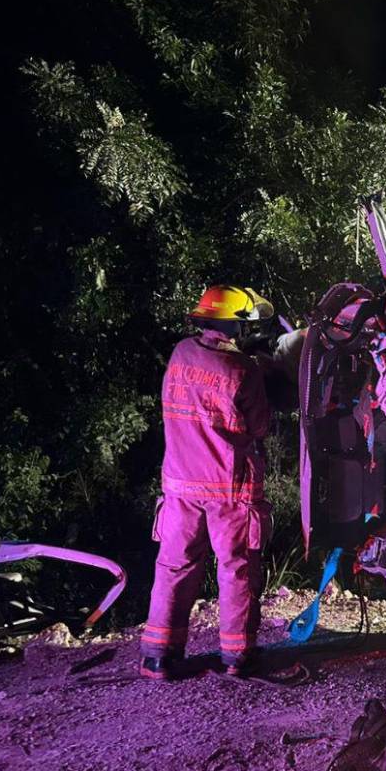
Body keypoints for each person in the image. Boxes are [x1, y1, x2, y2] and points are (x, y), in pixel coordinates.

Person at [138, 285, 280, 680]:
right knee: (236, 571)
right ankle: (237, 657)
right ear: (235, 327)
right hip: (228, 491)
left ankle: (158, 656)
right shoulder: (243, 371)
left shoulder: (181, 353)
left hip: (180, 486)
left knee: (173, 567)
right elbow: (259, 426)